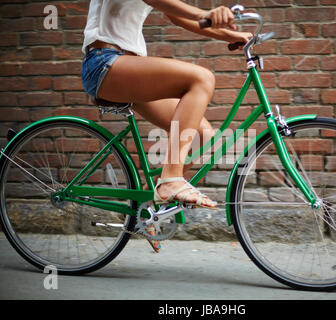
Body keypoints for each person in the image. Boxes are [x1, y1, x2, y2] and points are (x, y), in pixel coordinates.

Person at [81, 0, 252, 251]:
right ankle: (170, 179)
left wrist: (231, 34)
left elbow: (175, 16)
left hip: (129, 67)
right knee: (201, 78)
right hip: (104, 62)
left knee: (202, 135)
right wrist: (207, 13)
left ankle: (149, 210)